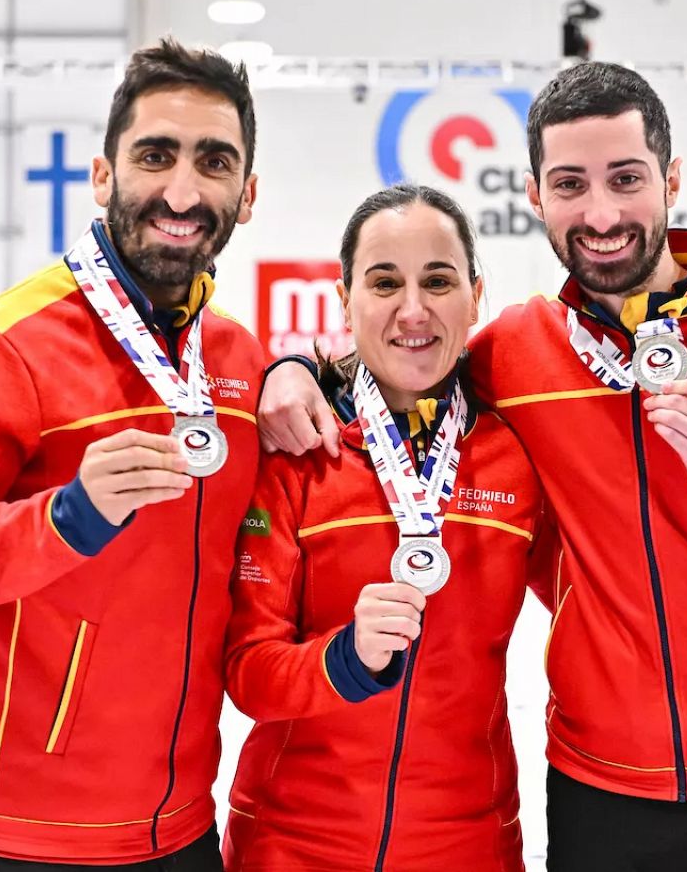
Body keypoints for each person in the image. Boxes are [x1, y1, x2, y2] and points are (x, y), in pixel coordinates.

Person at [259, 61, 687, 871]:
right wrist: (298, 370)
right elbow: (406, 352)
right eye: (570, 184)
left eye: (626, 179)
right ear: (535, 197)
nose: (601, 213)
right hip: (606, 791)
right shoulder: (519, 350)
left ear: (671, 178)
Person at [0, 38, 264, 870]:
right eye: (155, 155)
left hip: (180, 827)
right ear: (103, 175)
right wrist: (68, 515)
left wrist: (297, 370)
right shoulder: (3, 342)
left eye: (214, 161)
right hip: (6, 828)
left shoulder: (240, 362)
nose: (183, 190)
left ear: (247, 193)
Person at [221, 184, 549, 870]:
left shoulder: (518, 456)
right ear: (343, 299)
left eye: (438, 281)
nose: (413, 309)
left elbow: (612, 588)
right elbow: (248, 670)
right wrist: (342, 659)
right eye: (384, 282)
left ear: (475, 295)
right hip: (293, 846)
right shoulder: (297, 453)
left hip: (469, 845)